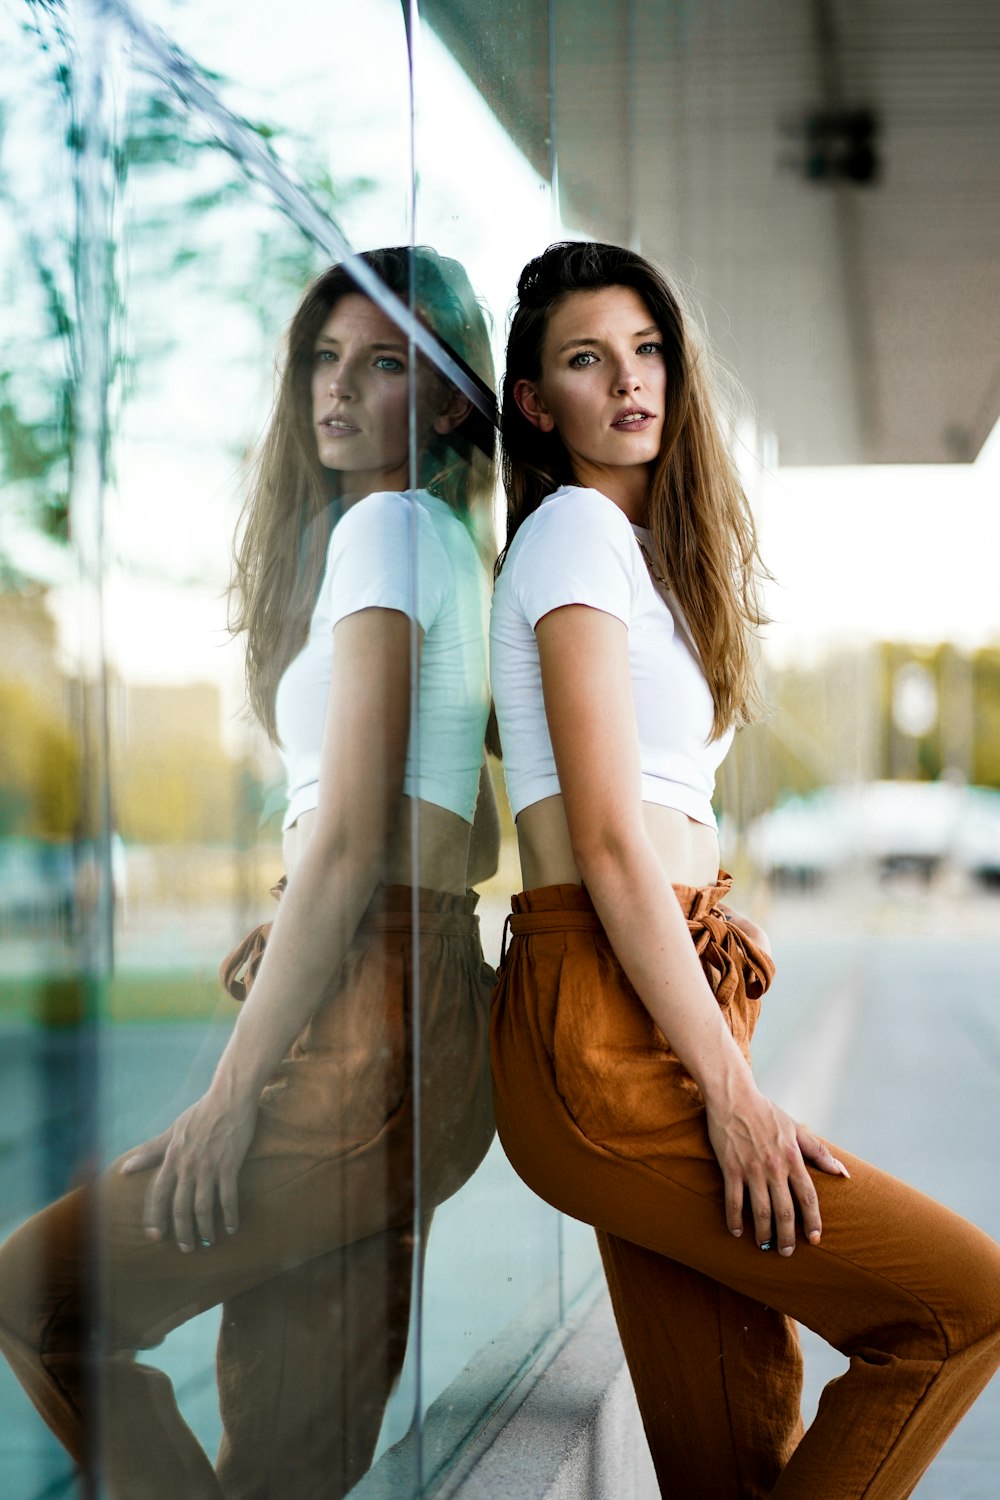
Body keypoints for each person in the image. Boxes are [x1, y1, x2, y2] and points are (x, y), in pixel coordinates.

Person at [488, 240, 1000, 1499]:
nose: (628, 383)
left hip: (660, 1000)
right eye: (586, 360)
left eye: (647, 350)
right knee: (957, 1311)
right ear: (532, 403)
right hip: (602, 1027)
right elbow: (609, 842)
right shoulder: (568, 536)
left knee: (730, 1446)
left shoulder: (636, 551)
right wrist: (731, 1093)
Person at [0, 246, 498, 1499]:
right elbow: (457, 835)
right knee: (287, 1460)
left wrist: (226, 1100)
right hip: (404, 1010)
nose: (336, 391)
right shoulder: (443, 544)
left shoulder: (387, 528)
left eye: (380, 365)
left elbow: (347, 842)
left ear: (447, 401)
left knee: (38, 1295)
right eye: (322, 360)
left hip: (368, 1026)